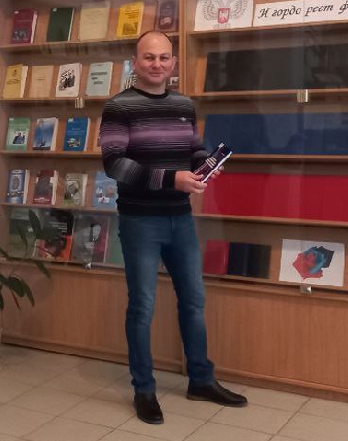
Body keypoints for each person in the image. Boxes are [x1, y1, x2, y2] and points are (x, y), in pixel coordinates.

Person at [99, 31, 247, 425]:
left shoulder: (184, 104)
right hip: (140, 221)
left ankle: (201, 380)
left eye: (164, 57)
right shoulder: (118, 106)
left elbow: (192, 148)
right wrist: (172, 179)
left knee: (194, 302)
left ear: (174, 63)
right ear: (135, 62)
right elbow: (114, 164)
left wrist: (205, 163)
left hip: (180, 219)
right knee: (142, 307)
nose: (157, 64)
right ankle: (144, 390)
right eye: (149, 57)